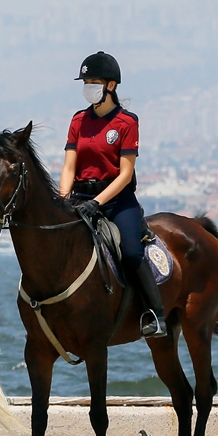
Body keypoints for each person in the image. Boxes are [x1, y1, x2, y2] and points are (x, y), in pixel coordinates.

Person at [60, 51, 166, 338]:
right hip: (80, 199)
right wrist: (63, 198)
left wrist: (98, 202)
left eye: (93, 81)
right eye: (85, 81)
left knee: (131, 252)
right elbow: (69, 165)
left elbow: (125, 174)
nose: (88, 87)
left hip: (117, 202)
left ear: (111, 85)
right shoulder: (78, 120)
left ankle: (155, 314)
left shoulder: (126, 122)